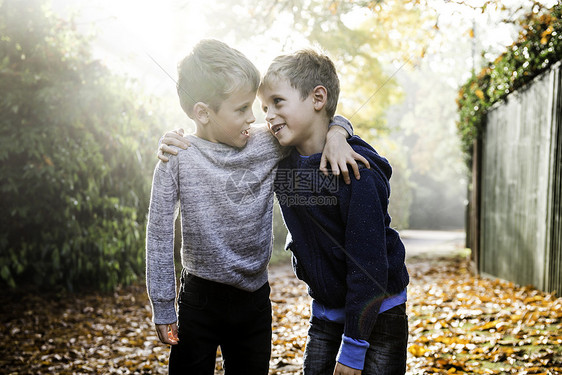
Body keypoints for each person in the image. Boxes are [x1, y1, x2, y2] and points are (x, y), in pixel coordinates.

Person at [146, 39, 367, 375]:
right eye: (241, 109)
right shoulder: (177, 157)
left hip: (254, 299)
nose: (253, 118)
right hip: (199, 298)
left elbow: (321, 118)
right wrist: (163, 307)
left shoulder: (266, 142)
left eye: (253, 106)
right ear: (203, 113)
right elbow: (159, 235)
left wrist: (338, 134)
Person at [258, 49, 410, 375]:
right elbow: (228, 135)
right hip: (327, 314)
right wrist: (183, 141)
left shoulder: (355, 171)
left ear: (317, 98)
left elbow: (368, 266)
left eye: (278, 102)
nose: (268, 115)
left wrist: (354, 348)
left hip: (379, 313)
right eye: (264, 108)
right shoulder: (280, 157)